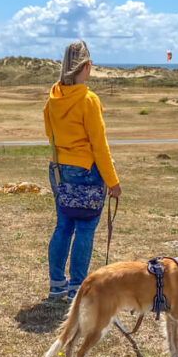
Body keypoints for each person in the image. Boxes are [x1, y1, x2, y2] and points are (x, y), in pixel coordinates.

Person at [43, 40, 122, 302]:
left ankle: (57, 284)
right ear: (86, 65)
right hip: (86, 170)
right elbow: (100, 146)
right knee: (85, 229)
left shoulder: (53, 98)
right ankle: (77, 288)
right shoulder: (88, 99)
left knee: (63, 226)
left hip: (59, 169)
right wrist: (113, 181)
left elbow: (49, 133)